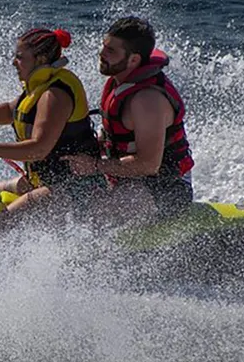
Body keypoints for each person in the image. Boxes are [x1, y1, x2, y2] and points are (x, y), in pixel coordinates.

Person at [0, 28, 99, 214]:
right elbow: (9, 112)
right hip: (44, 181)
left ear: (40, 59)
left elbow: (38, 149)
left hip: (73, 188)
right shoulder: (40, 86)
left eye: (20, 57)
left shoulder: (55, 95)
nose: (13, 62)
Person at [63, 16, 194, 219]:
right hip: (127, 180)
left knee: (87, 216)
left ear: (133, 60)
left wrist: (94, 166)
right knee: (51, 191)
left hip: (166, 189)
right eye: (104, 46)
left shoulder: (147, 101)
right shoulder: (119, 83)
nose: (101, 53)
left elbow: (148, 165)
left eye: (111, 50)